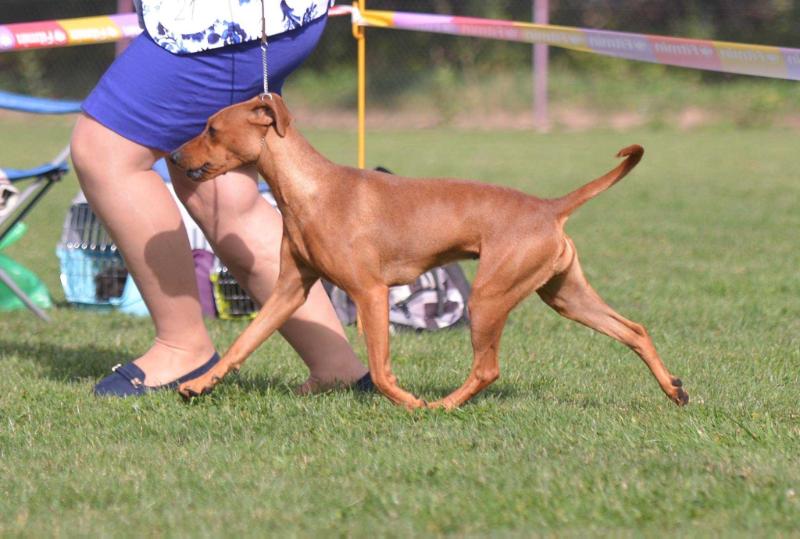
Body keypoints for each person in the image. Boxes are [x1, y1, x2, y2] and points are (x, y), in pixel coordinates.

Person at [70, 0, 370, 396]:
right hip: (258, 19)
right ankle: (337, 368)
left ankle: (182, 348)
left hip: (221, 21)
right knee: (220, 192)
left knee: (105, 150)